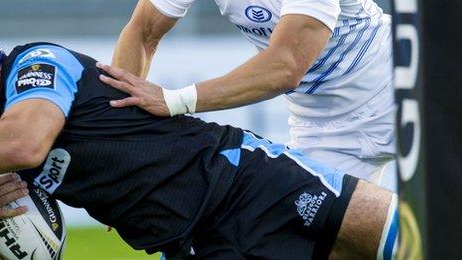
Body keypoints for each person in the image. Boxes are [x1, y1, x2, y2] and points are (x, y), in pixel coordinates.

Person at [0, 4, 398, 259]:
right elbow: (143, 25)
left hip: (244, 182)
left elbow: (26, 140)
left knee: (410, 239)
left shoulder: (36, 66)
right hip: (187, 243)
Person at [100, 0, 395, 183]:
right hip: (322, 128)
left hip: (397, 93)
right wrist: (122, 151)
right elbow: (142, 32)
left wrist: (175, 100)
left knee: (440, 209)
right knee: (307, 243)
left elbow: (286, 67)